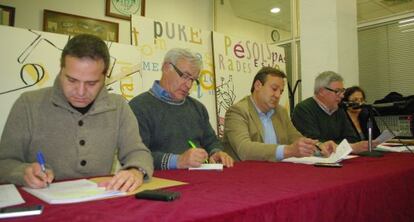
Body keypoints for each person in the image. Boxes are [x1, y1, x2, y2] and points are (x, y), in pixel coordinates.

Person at [0, 34, 153, 192]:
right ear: (61, 70)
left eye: (91, 83)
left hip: (98, 201)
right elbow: (4, 162)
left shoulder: (118, 106)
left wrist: (136, 171)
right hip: (41, 205)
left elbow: (137, 152)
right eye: (72, 80)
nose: (80, 92)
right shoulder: (28, 104)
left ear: (105, 77)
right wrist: (22, 172)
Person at [129, 48, 234, 170]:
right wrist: (177, 161)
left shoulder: (198, 108)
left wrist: (216, 152)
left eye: (193, 80)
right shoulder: (139, 107)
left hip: (201, 179)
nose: (189, 85)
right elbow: (136, 156)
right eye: (185, 76)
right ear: (166, 68)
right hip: (161, 182)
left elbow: (211, 141)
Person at [223, 67, 336, 162]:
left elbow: (295, 138)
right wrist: (288, 150)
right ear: (258, 85)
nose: (278, 95)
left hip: (277, 172)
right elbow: (245, 150)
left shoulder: (280, 111)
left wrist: (319, 146)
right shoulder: (237, 111)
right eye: (274, 89)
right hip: (246, 175)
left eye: (281, 91)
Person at [292, 71, 372, 153]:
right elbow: (314, 142)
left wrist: (334, 145)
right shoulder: (303, 109)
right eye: (337, 91)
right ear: (321, 92)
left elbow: (352, 138)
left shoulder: (338, 109)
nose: (342, 96)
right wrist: (340, 145)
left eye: (342, 91)